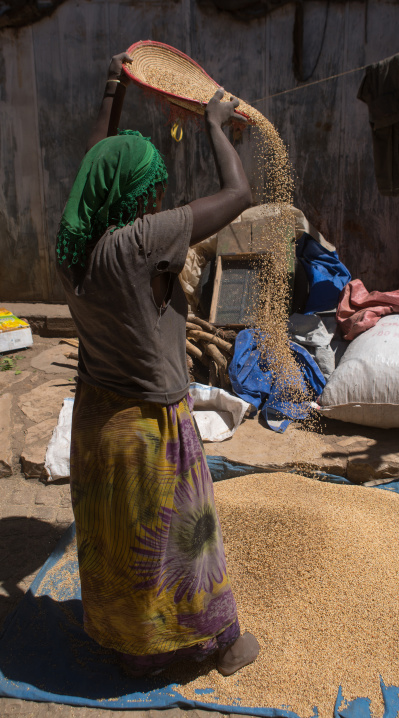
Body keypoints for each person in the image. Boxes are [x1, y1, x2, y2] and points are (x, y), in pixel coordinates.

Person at [56, 52, 259, 678]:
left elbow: (95, 162)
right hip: (150, 430)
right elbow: (238, 195)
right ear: (140, 196)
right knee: (186, 541)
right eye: (154, 187)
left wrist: (113, 90)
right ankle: (222, 644)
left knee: (122, 544)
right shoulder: (138, 243)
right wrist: (216, 125)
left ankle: (130, 650)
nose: (161, 195)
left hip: (97, 424)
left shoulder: (77, 245)